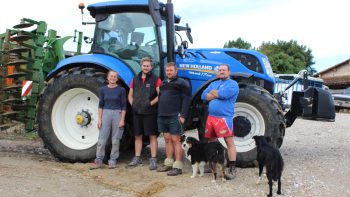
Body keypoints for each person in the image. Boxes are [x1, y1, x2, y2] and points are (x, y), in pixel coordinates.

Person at [200, 63, 239, 180]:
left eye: (224, 70)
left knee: (229, 141)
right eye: (220, 70)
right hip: (211, 118)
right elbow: (203, 95)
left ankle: (232, 168)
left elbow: (222, 94)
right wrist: (214, 94)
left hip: (224, 118)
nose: (221, 72)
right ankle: (213, 164)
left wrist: (212, 93)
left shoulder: (233, 84)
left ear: (229, 72)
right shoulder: (214, 83)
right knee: (212, 142)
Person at [156, 62, 191, 176]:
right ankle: (169, 163)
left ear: (176, 71)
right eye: (167, 70)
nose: (169, 72)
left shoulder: (182, 83)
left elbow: (186, 100)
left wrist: (183, 116)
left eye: (171, 70)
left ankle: (178, 166)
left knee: (176, 140)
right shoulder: (163, 83)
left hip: (175, 115)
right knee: (167, 139)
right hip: (163, 115)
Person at [127, 57, 161, 170]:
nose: (146, 67)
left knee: (152, 136)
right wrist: (133, 105)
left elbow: (160, 95)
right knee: (138, 135)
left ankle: (153, 159)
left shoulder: (156, 79)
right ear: (141, 66)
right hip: (137, 112)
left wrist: (150, 104)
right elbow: (130, 94)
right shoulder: (135, 79)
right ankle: (137, 158)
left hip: (150, 112)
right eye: (144, 65)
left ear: (151, 67)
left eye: (148, 66)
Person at [90, 70, 127, 169]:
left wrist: (122, 119)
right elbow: (100, 105)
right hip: (105, 114)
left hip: (117, 114)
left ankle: (113, 160)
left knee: (115, 139)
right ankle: (98, 160)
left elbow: (124, 106)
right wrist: (99, 119)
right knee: (102, 138)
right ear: (107, 78)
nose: (113, 78)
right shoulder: (103, 89)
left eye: (115, 76)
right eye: (111, 76)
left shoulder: (121, 90)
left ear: (117, 78)